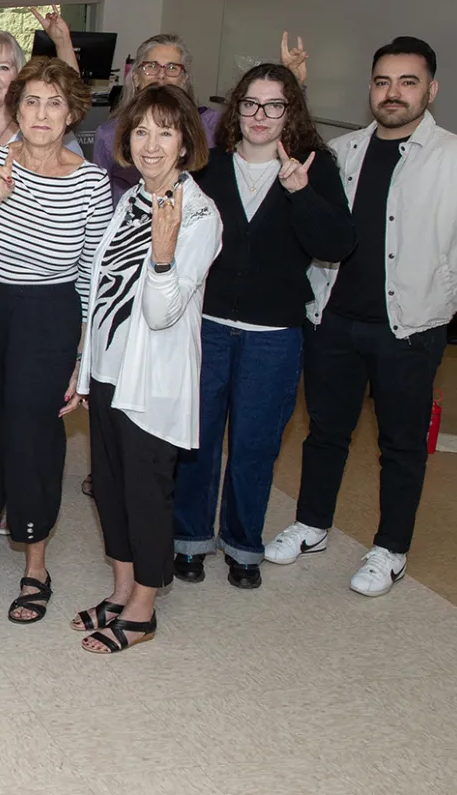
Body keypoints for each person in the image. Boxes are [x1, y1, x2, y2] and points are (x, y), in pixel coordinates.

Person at [266, 36, 457, 597]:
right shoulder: (344, 151)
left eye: (408, 82)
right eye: (383, 82)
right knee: (325, 434)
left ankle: (390, 550)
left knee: (401, 444)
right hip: (334, 319)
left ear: (431, 90)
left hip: (410, 329)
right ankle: (314, 523)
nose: (393, 93)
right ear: (371, 89)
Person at [176, 64, 353, 589]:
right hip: (206, 325)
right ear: (236, 109)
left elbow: (337, 245)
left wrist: (299, 191)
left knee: (255, 445)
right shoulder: (209, 166)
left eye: (274, 105)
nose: (260, 115)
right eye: (251, 103)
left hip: (274, 335)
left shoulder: (315, 169)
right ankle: (188, 539)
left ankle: (242, 543)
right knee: (198, 440)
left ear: (289, 113)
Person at [0, 58, 113, 624]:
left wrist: (81, 357)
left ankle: (35, 564)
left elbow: (95, 276)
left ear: (72, 112)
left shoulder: (91, 180)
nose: (42, 114)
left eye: (54, 103)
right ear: (16, 109)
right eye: (31, 102)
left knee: (35, 441)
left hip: (50, 316)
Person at [71, 84, 222, 654]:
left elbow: (161, 315)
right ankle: (119, 590)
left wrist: (162, 254)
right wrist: (85, 371)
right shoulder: (132, 197)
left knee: (146, 494)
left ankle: (143, 609)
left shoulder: (199, 214)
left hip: (151, 384)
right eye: (141, 131)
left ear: (186, 143)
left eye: (165, 131)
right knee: (110, 490)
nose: (151, 144)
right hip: (111, 373)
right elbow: (102, 292)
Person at [91, 34, 220, 200]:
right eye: (151, 66)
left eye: (172, 68)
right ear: (136, 78)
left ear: (184, 81)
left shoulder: (209, 126)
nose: (161, 75)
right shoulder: (109, 134)